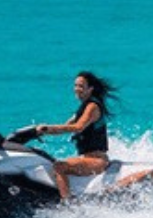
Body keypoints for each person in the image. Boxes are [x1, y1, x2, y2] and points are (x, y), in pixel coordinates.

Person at [22, 72, 114, 200]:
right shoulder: (82, 108)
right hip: (86, 158)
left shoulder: (92, 107)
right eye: (75, 85)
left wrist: (48, 128)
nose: (77, 89)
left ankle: (68, 204)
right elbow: (65, 127)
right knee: (49, 162)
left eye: (81, 86)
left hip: (97, 160)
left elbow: (78, 127)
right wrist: (38, 132)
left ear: (90, 89)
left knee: (59, 167)